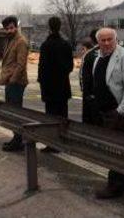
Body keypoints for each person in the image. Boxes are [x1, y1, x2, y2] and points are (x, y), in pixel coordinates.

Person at [91, 27, 124, 199]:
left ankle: (114, 186)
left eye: (109, 39)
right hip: (105, 112)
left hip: (119, 114)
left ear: (116, 39)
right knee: (117, 150)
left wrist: (120, 112)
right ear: (98, 42)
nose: (106, 43)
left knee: (115, 151)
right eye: (102, 40)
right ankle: (123, 184)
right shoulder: (99, 57)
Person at [38, 17, 74, 149]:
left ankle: (52, 143)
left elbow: (42, 68)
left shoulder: (46, 45)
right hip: (63, 86)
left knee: (51, 116)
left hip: (49, 87)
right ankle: (63, 140)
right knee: (63, 114)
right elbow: (70, 66)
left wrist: (42, 83)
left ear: (49, 28)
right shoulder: (66, 45)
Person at [0, 16, 29, 152]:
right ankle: (16, 139)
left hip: (16, 82)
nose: (9, 30)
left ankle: (18, 141)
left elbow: (21, 64)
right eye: (7, 28)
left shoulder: (20, 41)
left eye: (11, 28)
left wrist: (12, 80)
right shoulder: (11, 40)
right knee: (11, 112)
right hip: (10, 81)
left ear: (16, 26)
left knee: (15, 112)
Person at [80, 28, 100, 125]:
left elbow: (82, 77)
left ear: (92, 39)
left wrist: (85, 92)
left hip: (91, 94)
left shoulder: (88, 55)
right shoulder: (111, 52)